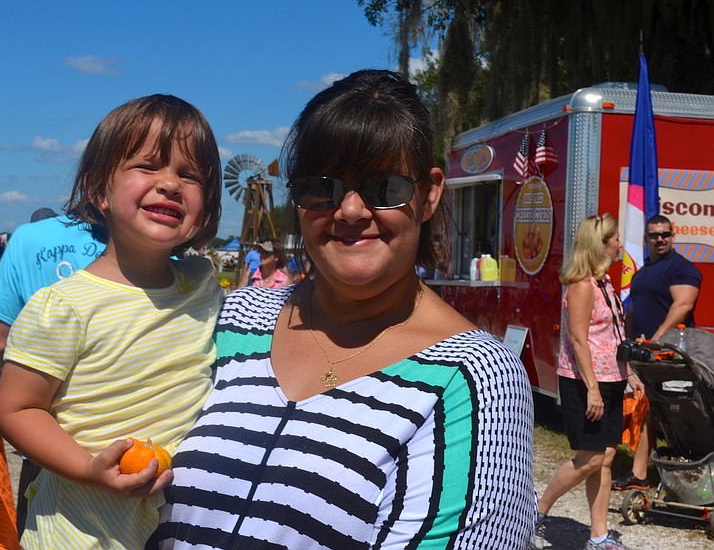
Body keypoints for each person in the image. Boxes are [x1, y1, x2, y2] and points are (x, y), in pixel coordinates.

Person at [152, 70, 536, 548]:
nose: (350, 210)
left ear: (430, 193)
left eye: (384, 188)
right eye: (322, 187)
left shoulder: (473, 377)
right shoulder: (234, 318)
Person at [0, 94, 224, 549]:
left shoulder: (202, 285)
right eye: (147, 166)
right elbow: (17, 409)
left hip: (174, 524)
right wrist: (87, 469)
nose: (170, 185)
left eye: (189, 175)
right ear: (99, 189)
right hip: (79, 526)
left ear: (208, 207)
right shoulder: (62, 306)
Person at [0, 212, 104, 537]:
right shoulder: (148, 234)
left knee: (40, 517)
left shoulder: (28, 238)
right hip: (136, 431)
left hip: (46, 422)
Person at [531, 214, 644, 550]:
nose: (620, 245)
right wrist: (592, 388)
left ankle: (599, 536)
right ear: (600, 244)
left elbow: (613, 334)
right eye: (615, 239)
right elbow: (579, 341)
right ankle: (537, 510)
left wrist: (631, 374)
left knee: (606, 457)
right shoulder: (581, 285)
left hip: (612, 379)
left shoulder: (604, 283)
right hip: (585, 382)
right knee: (592, 458)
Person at [613, 214, 702, 491]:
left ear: (673, 237)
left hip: (671, 355)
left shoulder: (681, 268)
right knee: (644, 410)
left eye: (665, 234)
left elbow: (683, 305)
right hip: (645, 353)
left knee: (676, 414)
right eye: (654, 235)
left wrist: (657, 339)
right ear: (647, 238)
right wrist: (627, 342)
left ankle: (688, 467)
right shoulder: (644, 272)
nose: (660, 239)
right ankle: (640, 475)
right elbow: (634, 309)